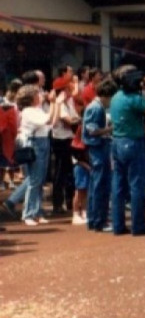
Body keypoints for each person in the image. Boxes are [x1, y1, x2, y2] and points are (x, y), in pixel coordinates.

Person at [110, 65, 145, 236]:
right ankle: (138, 226)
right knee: (137, 185)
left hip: (117, 142)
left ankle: (118, 225)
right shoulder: (132, 98)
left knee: (118, 186)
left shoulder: (116, 97)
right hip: (133, 142)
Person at [7, 85, 63, 225]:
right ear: (31, 98)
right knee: (34, 180)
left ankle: (37, 212)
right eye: (37, 94)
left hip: (42, 142)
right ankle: (28, 214)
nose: (40, 95)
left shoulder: (35, 110)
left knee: (40, 180)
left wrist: (55, 103)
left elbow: (52, 122)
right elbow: (49, 120)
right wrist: (54, 102)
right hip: (35, 143)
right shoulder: (28, 111)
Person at [82, 79, 116, 232]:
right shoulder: (96, 108)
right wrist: (109, 129)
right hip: (98, 148)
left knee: (97, 184)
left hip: (99, 147)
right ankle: (98, 221)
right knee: (99, 185)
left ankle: (96, 220)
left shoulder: (96, 107)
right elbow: (92, 130)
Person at [50, 76, 79, 215]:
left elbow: (75, 118)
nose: (71, 90)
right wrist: (77, 120)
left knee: (69, 172)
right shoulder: (60, 103)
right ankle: (57, 204)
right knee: (60, 173)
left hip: (68, 138)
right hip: (61, 140)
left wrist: (77, 119)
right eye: (68, 88)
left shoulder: (69, 101)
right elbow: (69, 120)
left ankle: (68, 202)